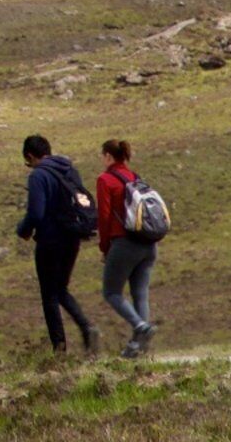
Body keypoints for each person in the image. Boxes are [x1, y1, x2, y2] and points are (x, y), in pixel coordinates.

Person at [13, 135, 97, 356]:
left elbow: (36, 213)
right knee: (61, 289)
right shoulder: (69, 169)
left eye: (27, 161)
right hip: (72, 238)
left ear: (30, 156)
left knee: (49, 294)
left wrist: (23, 229)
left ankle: (59, 349)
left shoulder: (38, 176)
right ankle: (87, 327)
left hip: (50, 241)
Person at [94, 137, 158, 355]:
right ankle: (139, 349)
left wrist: (104, 248)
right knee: (140, 294)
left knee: (112, 292)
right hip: (148, 244)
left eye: (102, 156)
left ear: (108, 156)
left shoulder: (105, 180)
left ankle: (140, 327)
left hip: (124, 243)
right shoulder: (135, 177)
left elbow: (103, 217)